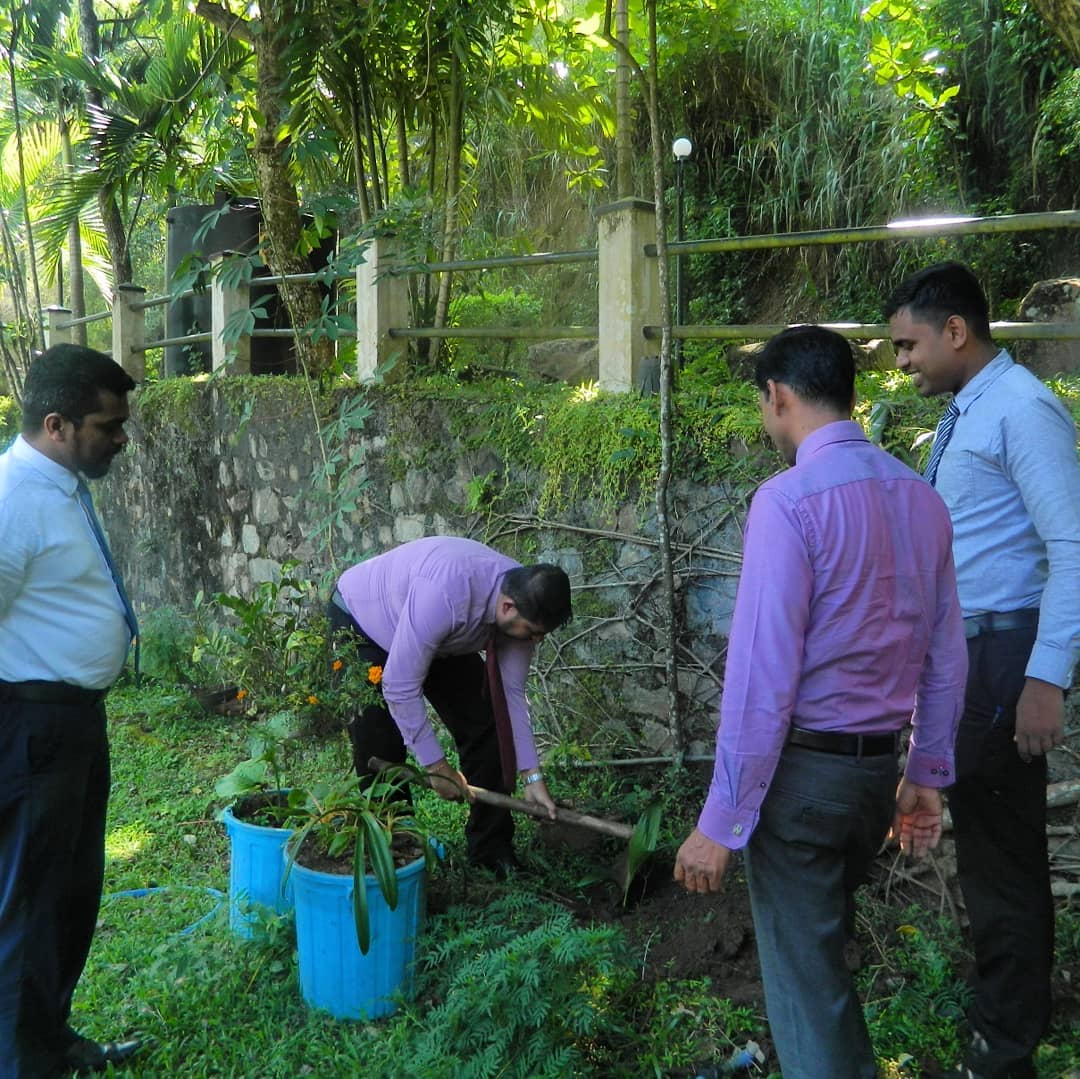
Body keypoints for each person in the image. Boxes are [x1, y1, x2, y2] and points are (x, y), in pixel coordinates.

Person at [674, 325, 968, 1079]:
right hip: (875, 781)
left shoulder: (788, 502)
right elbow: (944, 655)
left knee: (808, 989)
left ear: (776, 396)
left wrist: (722, 818)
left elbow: (760, 678)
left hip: (803, 785)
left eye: (764, 406)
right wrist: (925, 773)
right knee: (823, 966)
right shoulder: (921, 497)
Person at [886, 261, 1080, 1079]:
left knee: (1003, 858)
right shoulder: (971, 412)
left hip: (1007, 660)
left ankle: (1004, 1054)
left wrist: (1046, 677)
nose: (901, 363)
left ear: (955, 331)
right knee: (990, 854)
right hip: (974, 658)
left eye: (908, 344)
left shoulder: (1023, 412)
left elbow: (1072, 545)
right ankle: (1001, 1030)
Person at [0, 344, 143, 1077]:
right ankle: (24, 1062)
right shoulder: (11, 501)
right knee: (28, 903)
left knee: (70, 889)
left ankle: (50, 1040)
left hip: (74, 721)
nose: (120, 437)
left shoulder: (57, 484)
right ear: (57, 424)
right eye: (107, 425)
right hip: (34, 727)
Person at [327, 536, 573, 874]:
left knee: (487, 721)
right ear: (507, 608)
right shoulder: (446, 592)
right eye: (532, 633)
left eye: (541, 635)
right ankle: (395, 852)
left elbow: (511, 695)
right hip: (364, 622)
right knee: (379, 743)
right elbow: (399, 686)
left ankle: (491, 849)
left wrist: (533, 778)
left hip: (439, 635)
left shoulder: (525, 606)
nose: (535, 641)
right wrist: (437, 768)